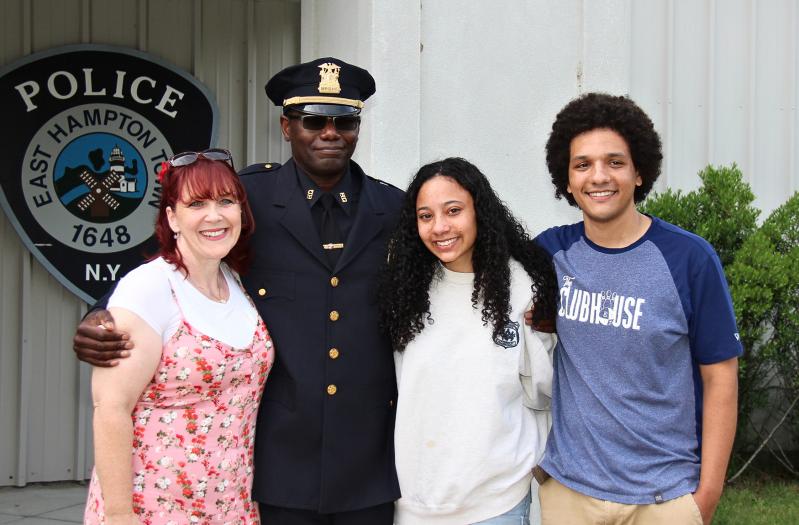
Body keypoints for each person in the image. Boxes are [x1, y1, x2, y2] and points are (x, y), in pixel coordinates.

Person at [74, 58, 403, 524]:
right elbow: (162, 257)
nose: (330, 133)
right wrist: (99, 314)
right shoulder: (244, 200)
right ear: (287, 127)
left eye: (345, 121)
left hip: (365, 457)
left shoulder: (393, 209)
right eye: (313, 121)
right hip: (275, 461)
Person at [533, 93, 741, 525]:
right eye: (582, 164)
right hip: (571, 493)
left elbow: (720, 376)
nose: (599, 177)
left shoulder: (689, 259)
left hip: (663, 497)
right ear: (566, 180)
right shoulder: (550, 253)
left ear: (639, 171)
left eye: (615, 162)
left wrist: (707, 495)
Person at [84, 150, 274, 524]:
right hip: (155, 505)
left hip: (231, 503)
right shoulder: (148, 289)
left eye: (226, 201)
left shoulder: (234, 281)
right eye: (196, 204)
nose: (214, 215)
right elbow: (111, 408)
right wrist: (121, 514)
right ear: (172, 217)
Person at [379, 157, 559, 525]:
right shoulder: (405, 290)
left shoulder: (524, 287)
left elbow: (543, 392)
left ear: (480, 211)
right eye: (425, 216)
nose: (440, 227)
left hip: (497, 503)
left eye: (453, 210)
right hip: (416, 503)